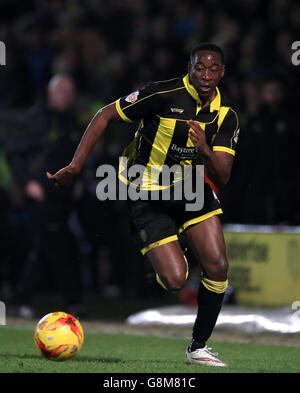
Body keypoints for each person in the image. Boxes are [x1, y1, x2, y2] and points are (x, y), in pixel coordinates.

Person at [47, 43, 240, 367]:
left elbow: (221, 178)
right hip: (147, 194)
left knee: (219, 267)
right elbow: (105, 114)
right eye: (199, 68)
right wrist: (76, 166)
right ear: (189, 68)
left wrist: (204, 150)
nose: (205, 75)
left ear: (222, 72)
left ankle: (198, 347)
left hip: (191, 190)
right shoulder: (162, 94)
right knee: (176, 280)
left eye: (212, 69)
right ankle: (165, 252)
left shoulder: (226, 116)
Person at [6, 74, 85, 318]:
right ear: (50, 93)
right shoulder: (37, 118)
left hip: (62, 197)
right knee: (59, 247)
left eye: (68, 92)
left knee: (46, 250)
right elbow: (13, 151)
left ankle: (20, 300)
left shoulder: (70, 121)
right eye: (60, 90)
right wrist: (26, 182)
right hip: (42, 196)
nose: (65, 96)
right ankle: (72, 302)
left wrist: (78, 182)